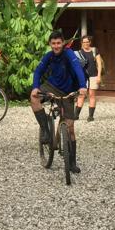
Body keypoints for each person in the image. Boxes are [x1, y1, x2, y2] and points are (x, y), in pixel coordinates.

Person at [29, 30, 87, 174]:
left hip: (68, 91)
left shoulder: (69, 54)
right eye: (53, 43)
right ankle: (45, 131)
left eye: (58, 43)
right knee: (34, 98)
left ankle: (72, 162)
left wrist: (82, 86)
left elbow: (77, 68)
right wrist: (35, 87)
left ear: (63, 43)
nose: (56, 46)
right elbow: (38, 71)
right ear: (50, 44)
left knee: (70, 128)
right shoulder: (48, 56)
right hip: (51, 86)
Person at [74, 35, 104, 122]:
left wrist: (99, 76)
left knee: (92, 95)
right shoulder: (79, 53)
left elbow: (99, 63)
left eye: (87, 42)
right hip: (83, 77)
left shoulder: (94, 50)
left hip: (94, 75)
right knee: (81, 95)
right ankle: (76, 115)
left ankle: (91, 116)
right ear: (81, 43)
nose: (86, 43)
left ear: (90, 42)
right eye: (84, 42)